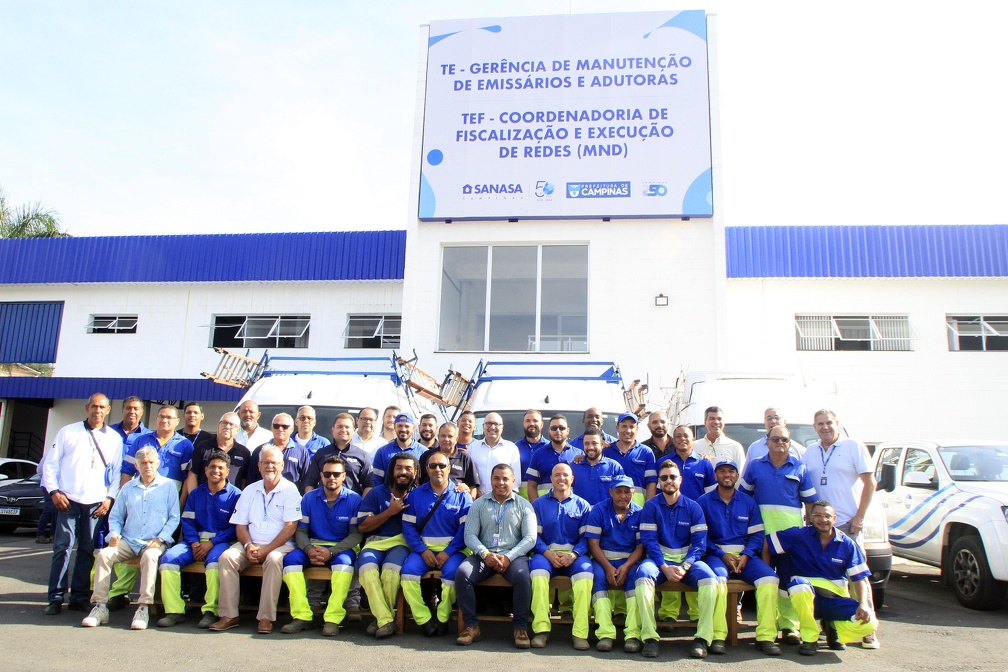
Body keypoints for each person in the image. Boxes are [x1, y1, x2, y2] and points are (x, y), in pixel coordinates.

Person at [803, 408, 879, 649]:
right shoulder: (810, 452)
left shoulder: (853, 446)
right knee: (826, 580)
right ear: (814, 427)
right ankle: (831, 627)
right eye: (820, 424)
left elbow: (871, 483)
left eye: (829, 423)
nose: (825, 427)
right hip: (819, 526)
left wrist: (860, 516)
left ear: (837, 424)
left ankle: (868, 630)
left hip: (848, 523)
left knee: (858, 577)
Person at [41, 393, 123, 615]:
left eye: (102, 407)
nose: (98, 410)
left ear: (108, 411)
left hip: (96, 503)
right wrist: (54, 492)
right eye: (94, 406)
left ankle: (78, 597)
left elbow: (116, 473)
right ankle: (56, 597)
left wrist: (109, 498)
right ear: (87, 408)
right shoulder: (68, 431)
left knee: (87, 550)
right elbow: (50, 465)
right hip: (68, 501)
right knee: (62, 548)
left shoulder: (114, 438)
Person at [83, 446, 180, 630]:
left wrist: (160, 539)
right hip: (129, 540)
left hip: (154, 540)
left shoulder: (168, 487)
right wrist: (114, 534)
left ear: (158, 463)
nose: (147, 466)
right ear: (136, 465)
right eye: (143, 463)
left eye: (151, 462)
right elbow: (116, 516)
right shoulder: (128, 487)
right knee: (104, 555)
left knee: (150, 557)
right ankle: (100, 606)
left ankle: (143, 607)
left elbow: (174, 517)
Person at [765, 500, 879, 656]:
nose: (823, 520)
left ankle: (833, 626)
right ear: (810, 518)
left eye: (827, 516)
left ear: (834, 519)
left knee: (869, 623)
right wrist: (767, 570)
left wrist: (864, 604)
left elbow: (859, 579)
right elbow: (767, 541)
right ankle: (810, 639)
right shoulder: (798, 535)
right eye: (817, 515)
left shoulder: (847, 544)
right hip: (805, 599)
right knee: (798, 586)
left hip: (833, 600)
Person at [739, 424, 818, 643]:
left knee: (786, 580)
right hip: (760, 534)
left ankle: (789, 626)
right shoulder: (755, 466)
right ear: (767, 442)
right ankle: (768, 623)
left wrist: (809, 531)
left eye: (784, 439)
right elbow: (742, 498)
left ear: (790, 443)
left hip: (790, 537)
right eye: (775, 439)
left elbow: (810, 503)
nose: (780, 443)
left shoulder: (800, 468)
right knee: (765, 581)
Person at [210, 446, 301, 634]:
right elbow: (240, 525)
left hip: (280, 546)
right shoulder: (250, 491)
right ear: (259, 466)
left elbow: (291, 526)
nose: (270, 467)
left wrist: (267, 549)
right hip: (250, 543)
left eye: (274, 463)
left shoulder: (291, 490)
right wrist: (248, 545)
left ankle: (266, 617)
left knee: (274, 560)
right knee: (226, 557)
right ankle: (229, 615)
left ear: (282, 465)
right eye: (265, 463)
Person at [635, 461, 718, 659]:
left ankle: (702, 638)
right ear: (659, 482)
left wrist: (685, 566)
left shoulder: (694, 507)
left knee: (710, 580)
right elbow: (649, 541)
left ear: (680, 480)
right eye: (664, 478)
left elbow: (699, 544)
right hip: (659, 562)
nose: (669, 481)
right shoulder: (650, 506)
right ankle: (650, 637)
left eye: (673, 477)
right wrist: (664, 567)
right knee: (642, 578)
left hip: (687, 563)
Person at [698, 459, 781, 656]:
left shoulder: (748, 502)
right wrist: (721, 554)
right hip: (716, 555)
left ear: (737, 476)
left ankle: (766, 636)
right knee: (717, 581)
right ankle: (718, 636)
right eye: (722, 471)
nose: (727, 475)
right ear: (716, 476)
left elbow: (757, 535)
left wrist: (746, 555)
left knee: (770, 579)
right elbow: (701, 537)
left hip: (745, 557)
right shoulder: (703, 502)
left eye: (731, 471)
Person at [455, 463, 537, 649]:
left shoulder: (524, 506)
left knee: (524, 577)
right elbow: (470, 536)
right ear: (491, 480)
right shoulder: (478, 505)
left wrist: (509, 556)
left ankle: (520, 627)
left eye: (505, 479)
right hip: (484, 555)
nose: (501, 482)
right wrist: (485, 554)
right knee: (463, 573)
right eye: (496, 478)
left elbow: (530, 538)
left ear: (513, 481)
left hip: (513, 557)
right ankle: (471, 626)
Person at [280, 455, 363, 637]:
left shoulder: (354, 500)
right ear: (321, 476)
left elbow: (356, 534)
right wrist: (309, 549)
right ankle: (302, 616)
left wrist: (332, 552)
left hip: (340, 548)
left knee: (343, 567)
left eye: (336, 474)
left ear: (343, 476)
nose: (331, 478)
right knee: (290, 563)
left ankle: (333, 619)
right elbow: (300, 531)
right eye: (327, 474)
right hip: (312, 546)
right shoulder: (308, 499)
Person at [157, 449, 241, 628]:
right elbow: (187, 521)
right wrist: (194, 542)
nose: (215, 471)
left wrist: (211, 543)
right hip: (193, 543)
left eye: (220, 468)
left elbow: (235, 527)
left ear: (227, 472)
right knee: (168, 560)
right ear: (205, 470)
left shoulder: (236, 496)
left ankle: (210, 611)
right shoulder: (195, 494)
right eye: (212, 467)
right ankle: (174, 611)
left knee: (214, 564)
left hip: (220, 543)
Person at [400, 450, 473, 636]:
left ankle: (442, 617)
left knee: (451, 576)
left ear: (449, 468)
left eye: (442, 466)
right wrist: (422, 550)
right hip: (423, 552)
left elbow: (465, 530)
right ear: (426, 469)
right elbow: (408, 527)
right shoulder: (415, 495)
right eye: (433, 466)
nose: (438, 469)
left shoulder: (462, 495)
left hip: (452, 553)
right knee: (407, 574)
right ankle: (423, 618)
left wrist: (448, 552)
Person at [653, 424, 715, 623]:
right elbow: (657, 490)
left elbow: (712, 495)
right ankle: (669, 614)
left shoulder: (704, 464)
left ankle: (696, 614)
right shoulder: (663, 462)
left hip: (696, 519)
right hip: (668, 516)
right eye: (677, 436)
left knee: (691, 562)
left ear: (693, 438)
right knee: (670, 554)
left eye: (686, 436)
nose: (682, 439)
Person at [529, 463, 594, 650]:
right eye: (557, 475)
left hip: (574, 556)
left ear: (572, 479)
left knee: (585, 577)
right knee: (538, 575)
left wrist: (574, 554)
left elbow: (586, 539)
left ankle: (580, 633)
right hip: (546, 553)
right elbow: (534, 536)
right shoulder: (539, 504)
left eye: (566, 475)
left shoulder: (583, 506)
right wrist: (546, 553)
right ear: (551, 478)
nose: (561, 478)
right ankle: (541, 630)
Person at [356, 452, 418, 638]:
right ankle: (386, 619)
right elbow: (362, 526)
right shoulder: (376, 493)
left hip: (401, 544)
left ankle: (381, 619)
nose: (403, 472)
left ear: (415, 472)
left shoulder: (418, 495)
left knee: (391, 572)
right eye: (399, 468)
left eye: (408, 468)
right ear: (391, 471)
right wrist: (390, 512)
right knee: (366, 570)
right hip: (374, 543)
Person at [584, 475, 644, 652]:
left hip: (630, 561)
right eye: (618, 492)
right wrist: (608, 567)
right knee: (598, 582)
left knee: (635, 583)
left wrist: (626, 566)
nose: (623, 496)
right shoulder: (599, 510)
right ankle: (605, 634)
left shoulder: (640, 513)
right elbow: (593, 543)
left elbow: (641, 546)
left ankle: (632, 634)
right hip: (603, 561)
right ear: (611, 492)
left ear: (633, 492)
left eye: (627, 492)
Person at [122, 406, 194, 494]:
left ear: (177, 421)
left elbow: (188, 478)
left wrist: (181, 504)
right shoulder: (141, 441)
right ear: (156, 419)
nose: (164, 420)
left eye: (169, 417)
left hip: (169, 497)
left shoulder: (185, 444)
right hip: (140, 495)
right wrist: (125, 497)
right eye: (161, 417)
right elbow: (127, 471)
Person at [303, 413, 375, 496]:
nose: (343, 430)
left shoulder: (363, 456)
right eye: (340, 427)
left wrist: (361, 506)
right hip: (323, 505)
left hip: (352, 506)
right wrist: (311, 502)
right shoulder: (321, 453)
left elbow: (369, 485)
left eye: (347, 427)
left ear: (353, 430)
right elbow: (310, 482)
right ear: (333, 429)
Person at [602, 413, 656, 506]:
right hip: (610, 509)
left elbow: (651, 483)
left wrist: (649, 508)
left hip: (638, 509)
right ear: (617, 428)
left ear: (637, 429)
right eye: (624, 426)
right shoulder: (606, 452)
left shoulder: (646, 452)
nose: (628, 430)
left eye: (632, 427)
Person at [525, 414, 583, 502]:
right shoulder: (538, 454)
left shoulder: (579, 454)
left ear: (568, 431)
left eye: (561, 428)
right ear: (549, 431)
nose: (558, 431)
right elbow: (531, 485)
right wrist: (536, 508)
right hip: (545, 508)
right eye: (554, 428)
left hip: (571, 508)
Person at [247, 413, 311, 491]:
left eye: (284, 427)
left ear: (292, 429)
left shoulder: (302, 452)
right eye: (276, 426)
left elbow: (307, 480)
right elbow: (251, 479)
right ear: (271, 428)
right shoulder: (260, 450)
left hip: (291, 497)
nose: (280, 429)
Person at [188, 412, 251, 491]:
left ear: (237, 430)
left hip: (232, 501)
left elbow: (244, 480)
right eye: (224, 423)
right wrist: (194, 498)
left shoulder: (244, 453)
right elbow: (193, 474)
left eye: (231, 425)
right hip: (204, 498)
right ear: (218, 426)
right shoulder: (203, 447)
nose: (227, 427)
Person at [418, 421, 480, 498]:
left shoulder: (465, 459)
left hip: (456, 506)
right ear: (438, 437)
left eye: (450, 436)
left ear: (456, 438)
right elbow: (418, 482)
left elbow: (472, 487)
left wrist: (469, 501)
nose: (446, 439)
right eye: (443, 436)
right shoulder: (427, 456)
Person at [467, 413, 521, 497]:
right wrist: (477, 494)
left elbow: (515, 480)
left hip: (503, 501)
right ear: (483, 426)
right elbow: (467, 476)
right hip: (477, 499)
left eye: (496, 424)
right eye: (489, 423)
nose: (492, 427)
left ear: (502, 428)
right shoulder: (472, 448)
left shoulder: (511, 448)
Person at [569, 427, 624, 505]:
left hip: (605, 516)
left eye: (594, 443)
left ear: (602, 445)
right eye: (587, 443)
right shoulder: (574, 466)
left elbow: (621, 495)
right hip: (580, 516)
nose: (590, 447)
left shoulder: (614, 467)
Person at [371, 412, 425, 480]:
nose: (403, 429)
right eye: (400, 426)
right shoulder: (382, 452)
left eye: (407, 426)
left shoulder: (424, 452)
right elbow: (376, 480)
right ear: (394, 426)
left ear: (413, 428)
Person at [694, 406, 746, 474]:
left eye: (719, 419)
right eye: (712, 418)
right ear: (705, 422)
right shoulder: (694, 446)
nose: (716, 422)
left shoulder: (735, 447)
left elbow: (741, 475)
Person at [515, 409, 548, 498]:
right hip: (520, 501)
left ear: (542, 424)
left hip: (545, 500)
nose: (531, 423)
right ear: (523, 424)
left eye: (535, 420)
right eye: (528, 421)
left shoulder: (550, 448)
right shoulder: (514, 448)